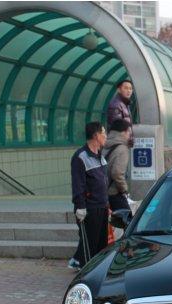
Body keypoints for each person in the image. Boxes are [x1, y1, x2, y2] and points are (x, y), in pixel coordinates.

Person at [68, 122, 109, 271]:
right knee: (89, 244)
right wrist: (80, 206)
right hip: (90, 208)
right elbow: (78, 184)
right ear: (96, 135)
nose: (105, 136)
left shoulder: (100, 156)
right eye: (103, 133)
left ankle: (92, 268)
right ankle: (85, 270)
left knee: (101, 243)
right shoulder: (80, 157)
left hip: (102, 206)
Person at [103, 119, 131, 213]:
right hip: (114, 193)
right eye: (128, 133)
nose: (129, 136)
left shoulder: (104, 145)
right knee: (128, 221)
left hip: (102, 192)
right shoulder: (122, 149)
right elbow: (117, 173)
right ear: (123, 133)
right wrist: (124, 190)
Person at [106, 79, 134, 146]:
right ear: (119, 90)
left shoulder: (125, 104)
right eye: (126, 88)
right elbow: (117, 127)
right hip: (118, 143)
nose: (129, 91)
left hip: (123, 141)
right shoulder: (116, 105)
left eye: (130, 89)